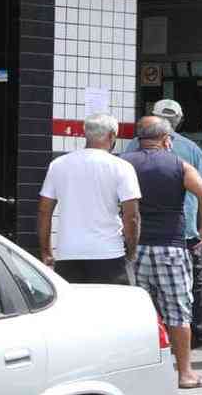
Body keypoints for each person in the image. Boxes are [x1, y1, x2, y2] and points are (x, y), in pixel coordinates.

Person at [122, 116, 202, 389]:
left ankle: (139, 374)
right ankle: (185, 373)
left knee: (139, 314)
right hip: (171, 248)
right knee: (177, 313)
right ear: (166, 140)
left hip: (135, 249)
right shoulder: (179, 164)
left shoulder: (125, 163)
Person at [37, 113, 140, 285]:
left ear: (86, 134)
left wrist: (46, 252)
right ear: (112, 136)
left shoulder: (59, 164)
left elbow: (44, 211)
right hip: (109, 253)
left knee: (75, 310)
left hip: (67, 252)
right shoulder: (122, 167)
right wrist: (131, 251)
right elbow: (132, 217)